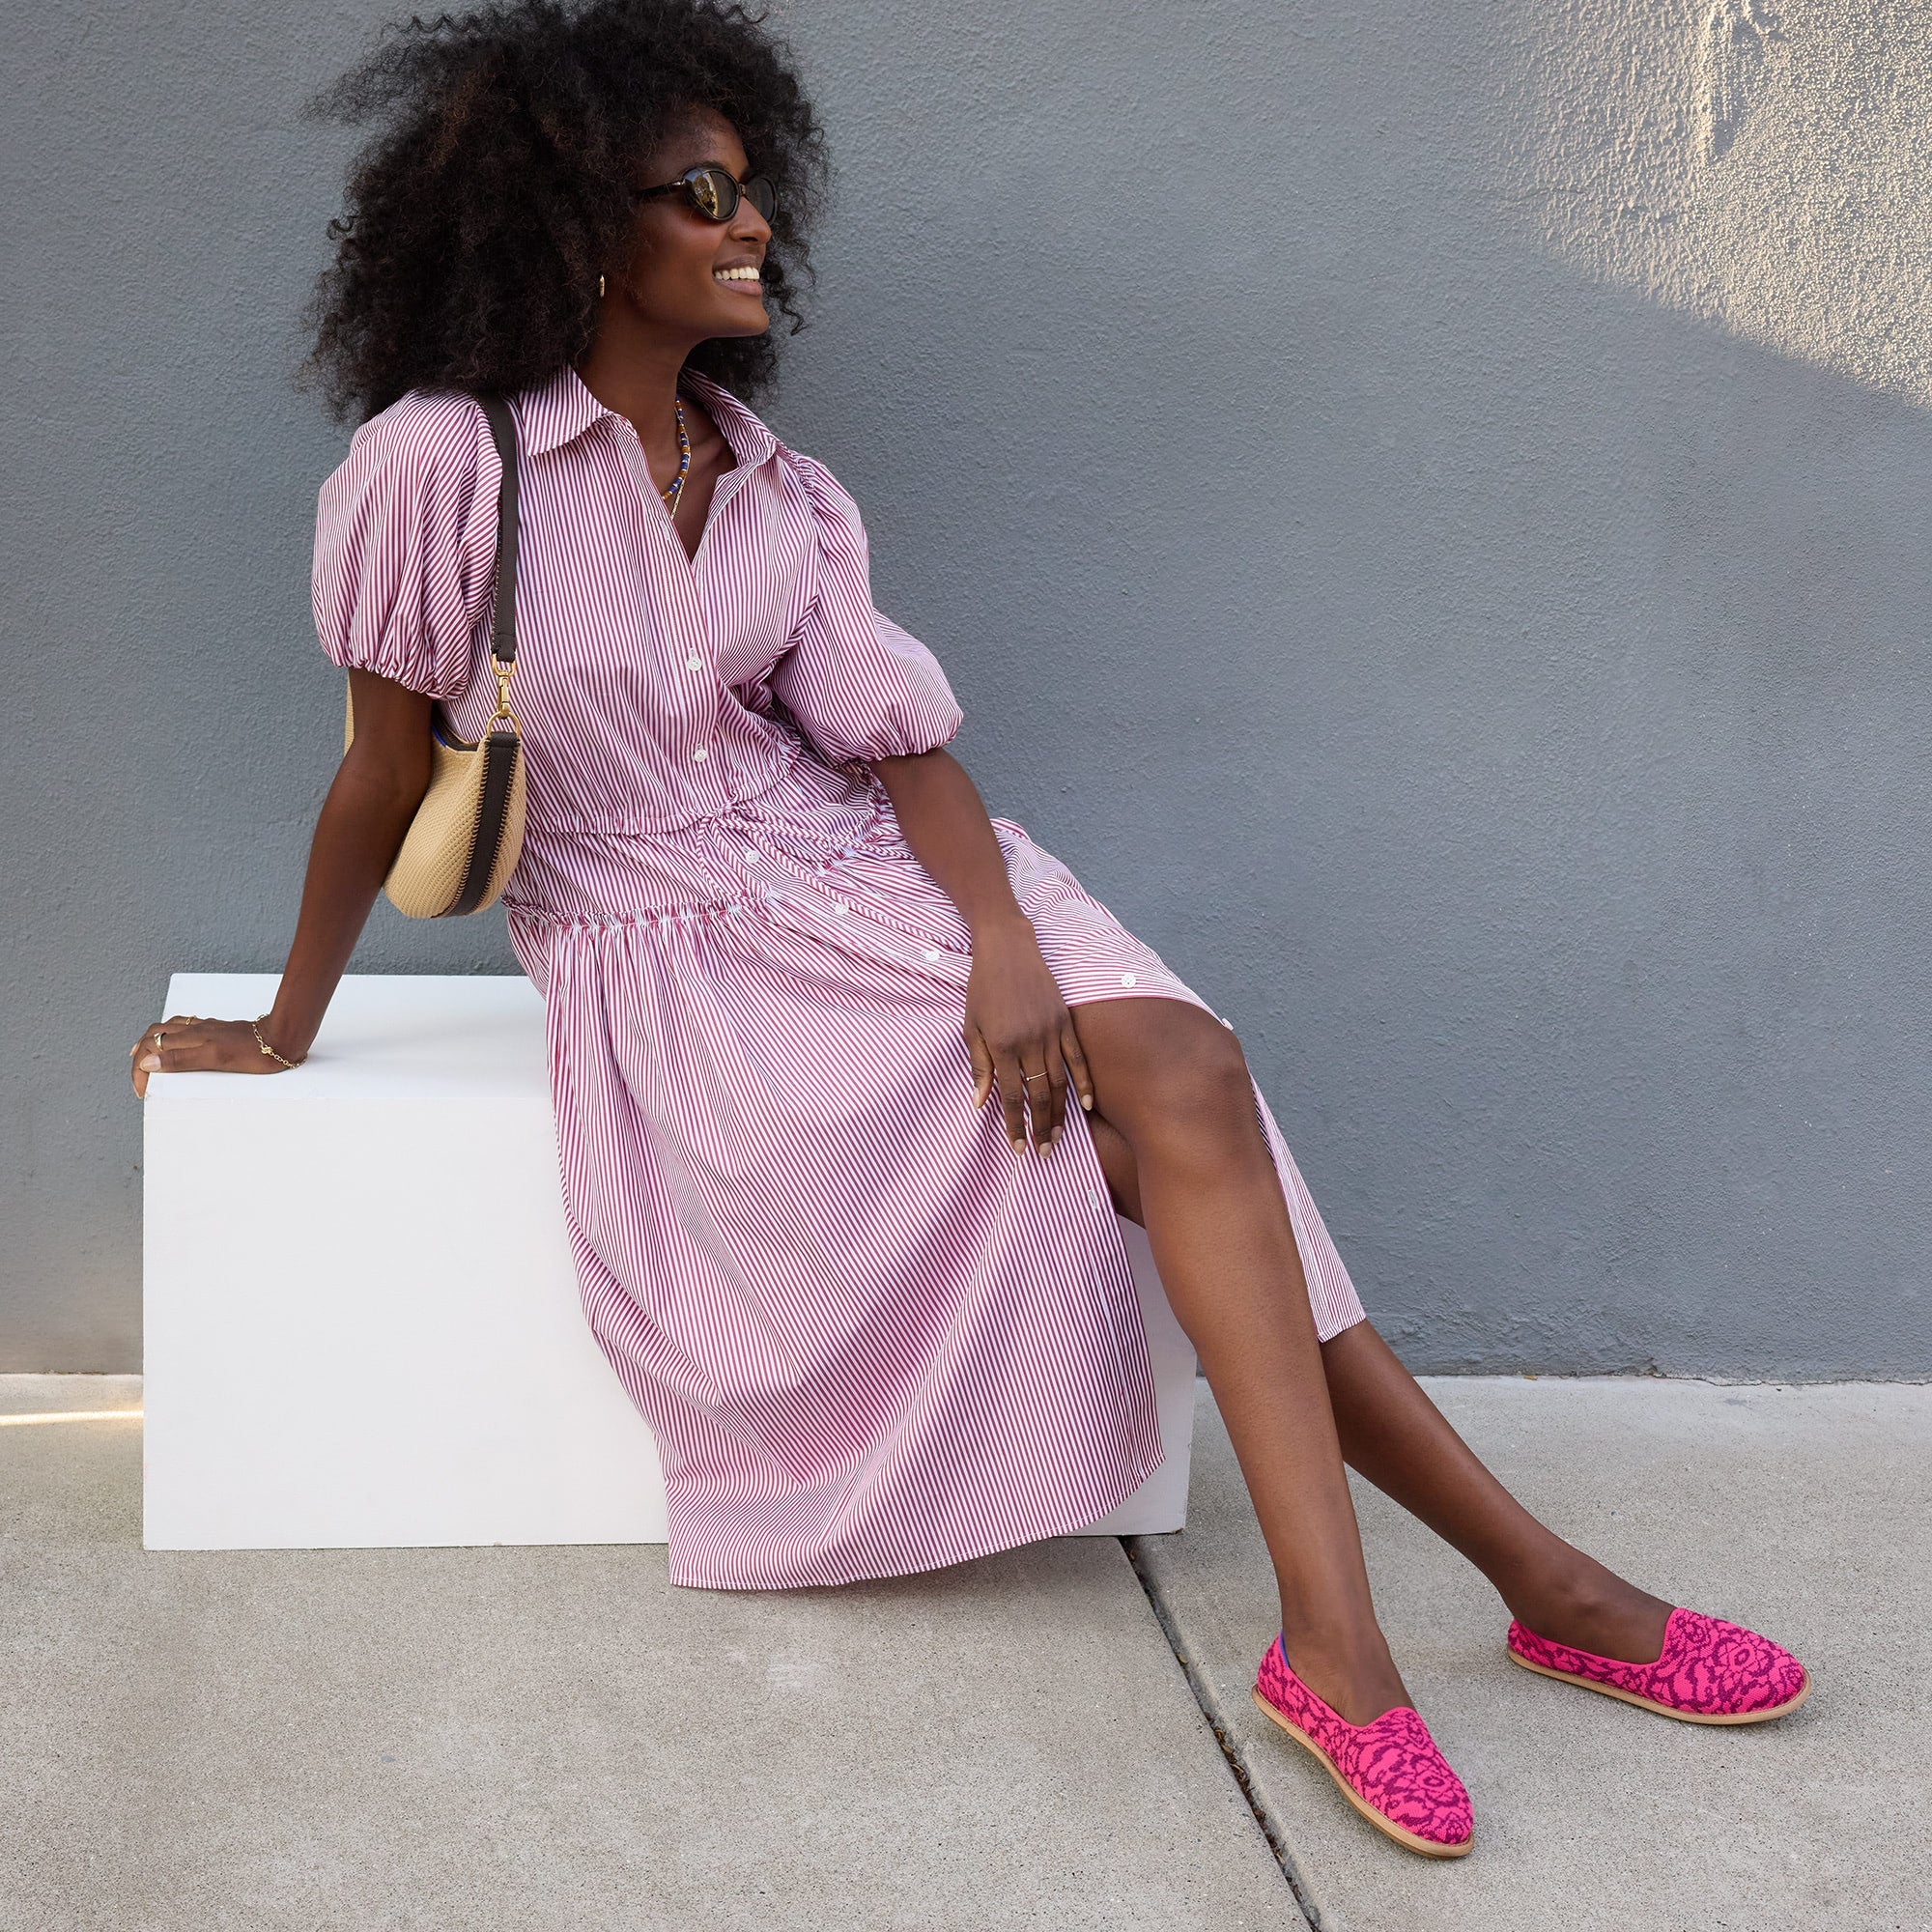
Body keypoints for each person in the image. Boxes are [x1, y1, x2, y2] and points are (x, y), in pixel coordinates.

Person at [128, 0, 1807, 1859]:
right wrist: (284, 1027)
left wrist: (1002, 939)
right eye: (704, 192)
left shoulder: (778, 488)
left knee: (1183, 1068)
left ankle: (1380, 1639)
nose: (755, 225)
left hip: (874, 880)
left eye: (754, 188)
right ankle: (1530, 1594)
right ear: (577, 222)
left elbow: (899, 747)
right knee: (1167, 1123)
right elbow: (379, 775)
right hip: (675, 952)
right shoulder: (442, 467)